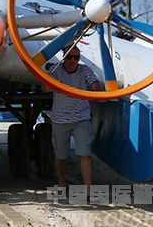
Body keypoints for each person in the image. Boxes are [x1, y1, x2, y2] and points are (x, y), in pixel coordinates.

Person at [45, 46, 102, 197]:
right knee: (61, 155)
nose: (73, 61)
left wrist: (98, 87)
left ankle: (88, 190)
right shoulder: (56, 70)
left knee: (85, 154)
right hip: (60, 119)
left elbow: (96, 86)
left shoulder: (85, 70)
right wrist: (60, 85)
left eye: (76, 58)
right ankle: (62, 183)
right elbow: (46, 87)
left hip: (81, 118)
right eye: (70, 57)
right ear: (64, 57)